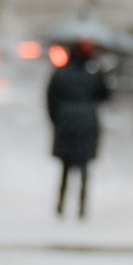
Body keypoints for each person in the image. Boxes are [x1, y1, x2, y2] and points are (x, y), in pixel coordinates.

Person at [48, 37, 107, 218]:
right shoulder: (94, 72)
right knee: (84, 167)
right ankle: (82, 205)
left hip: (65, 122)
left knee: (65, 167)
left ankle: (61, 203)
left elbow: (50, 99)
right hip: (87, 122)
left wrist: (56, 119)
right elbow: (105, 94)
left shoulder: (61, 72)